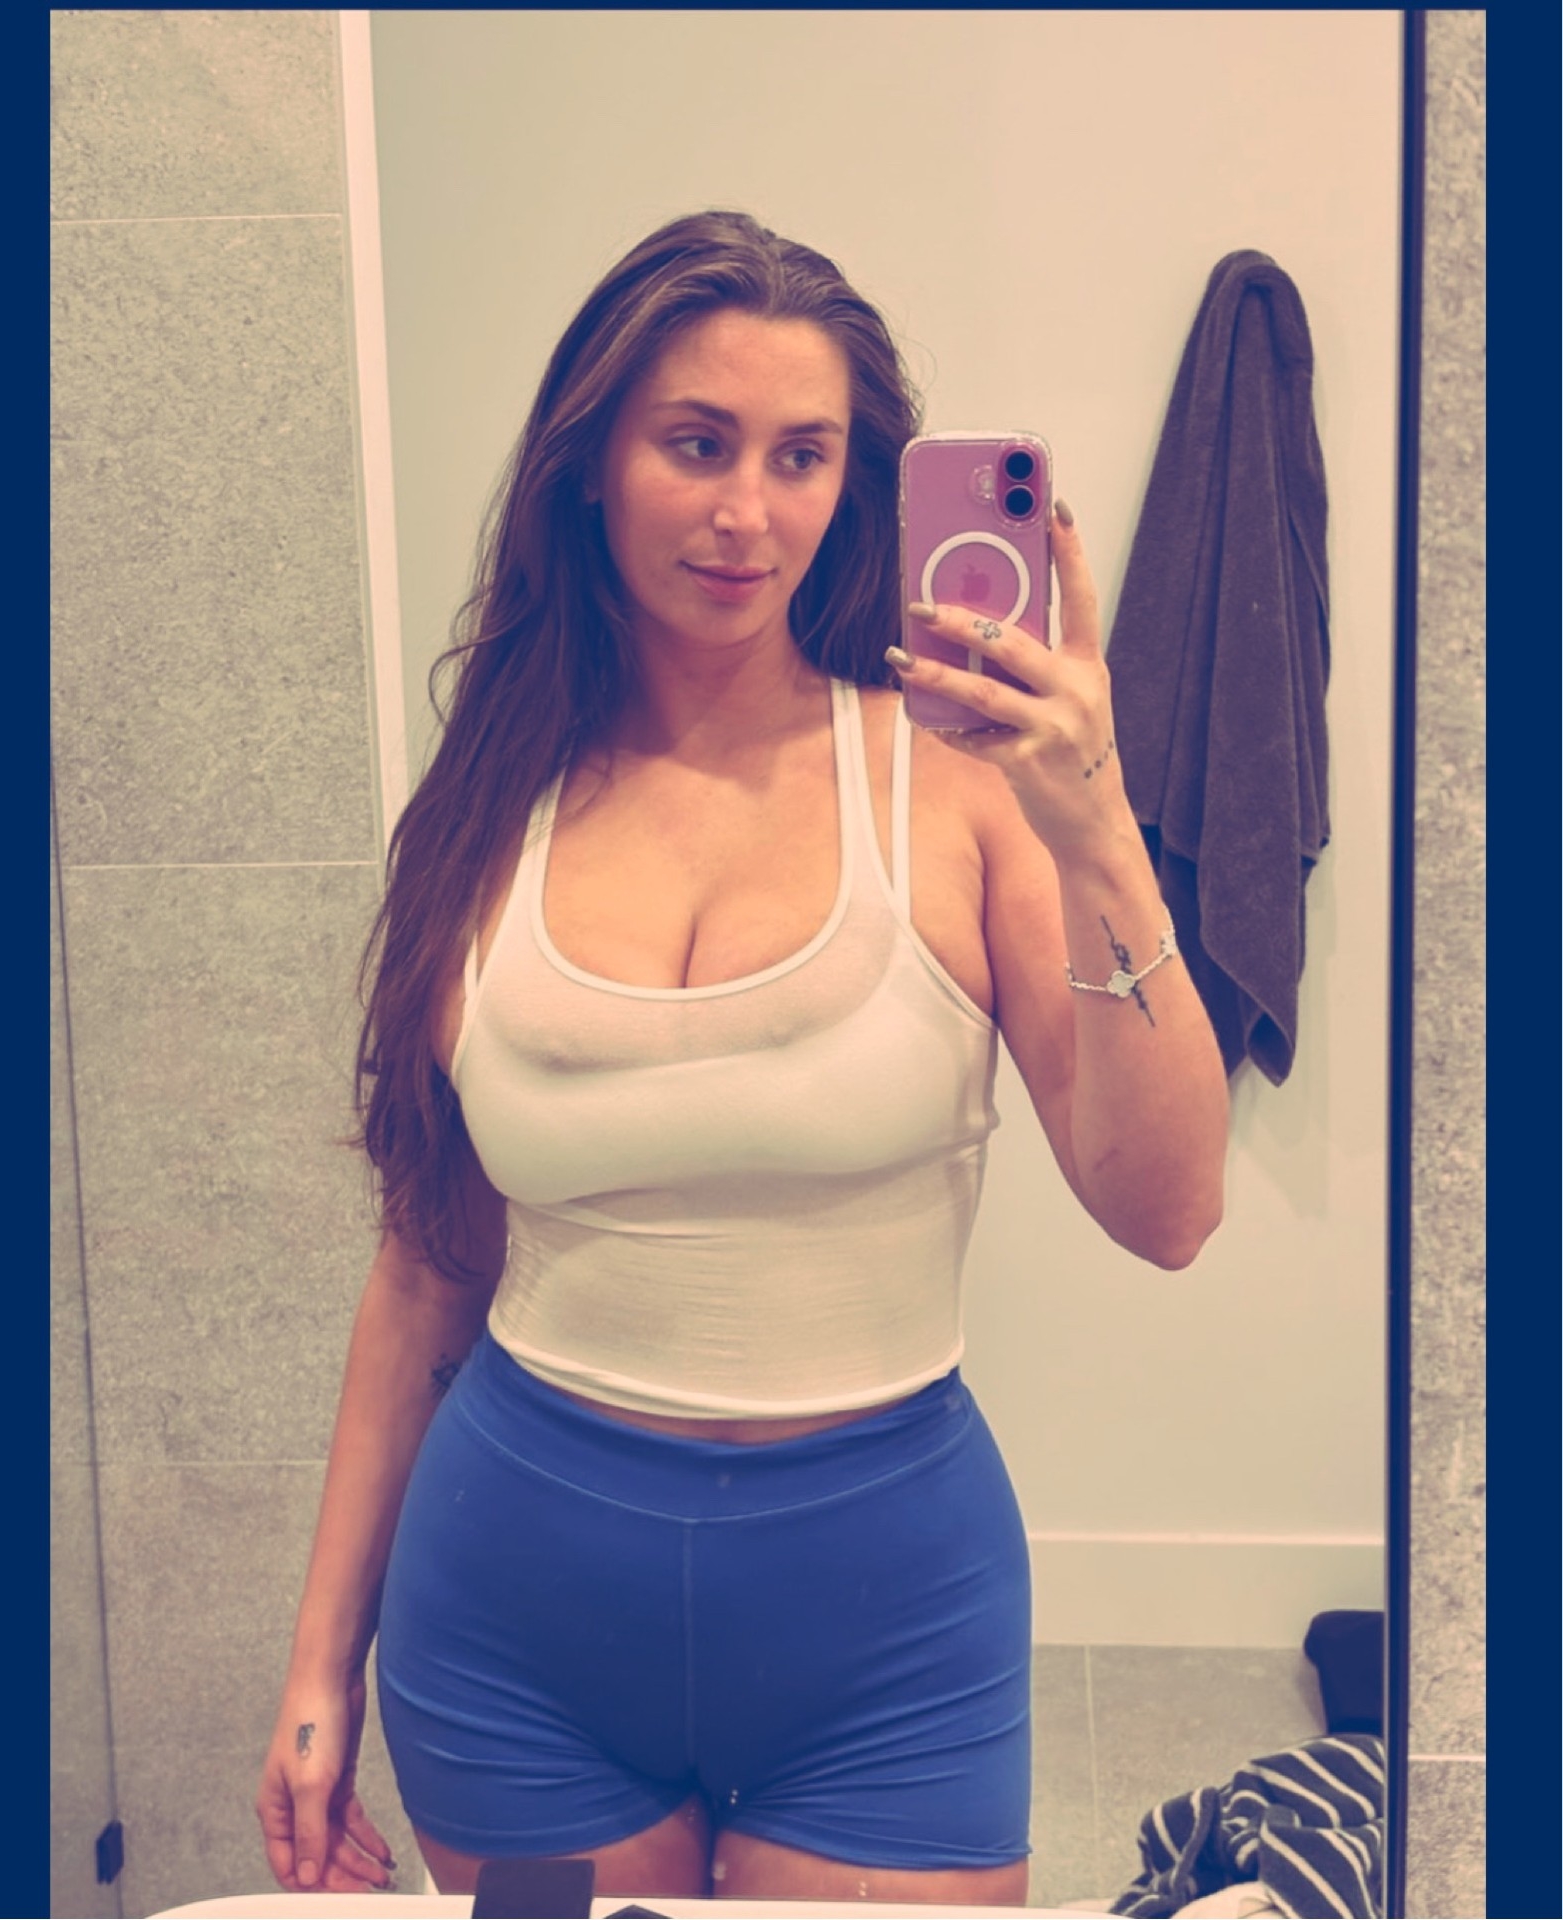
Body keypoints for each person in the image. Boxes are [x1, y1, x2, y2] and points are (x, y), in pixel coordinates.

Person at [256, 209, 1229, 1908]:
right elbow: (422, 1268)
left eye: (801, 456)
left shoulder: (959, 786)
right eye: (695, 444)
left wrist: (1096, 825)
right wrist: (318, 1662)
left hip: (887, 1630)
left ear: (857, 484)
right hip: (510, 1625)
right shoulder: (483, 809)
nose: (745, 513)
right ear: (590, 464)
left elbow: (1168, 1210)